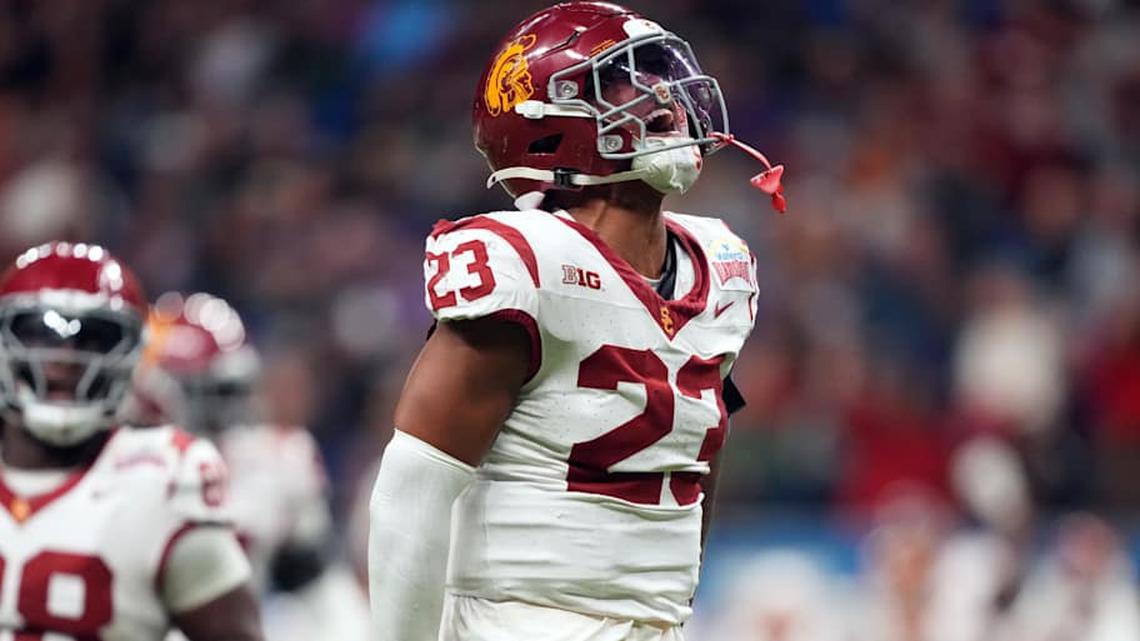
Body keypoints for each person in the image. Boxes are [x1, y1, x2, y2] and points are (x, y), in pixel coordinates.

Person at [368, 2, 782, 639]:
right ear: (546, 125)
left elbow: (696, 456)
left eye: (662, 77)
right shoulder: (527, 263)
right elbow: (413, 487)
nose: (664, 100)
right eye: (624, 83)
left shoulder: (722, 266)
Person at [0, 242, 263, 641]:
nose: (64, 359)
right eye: (40, 335)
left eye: (94, 338)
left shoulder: (164, 479)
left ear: (133, 354)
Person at [132, 292, 372, 641]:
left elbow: (314, 581)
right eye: (213, 393)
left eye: (233, 391)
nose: (231, 411)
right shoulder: (120, 468)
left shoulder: (277, 462)